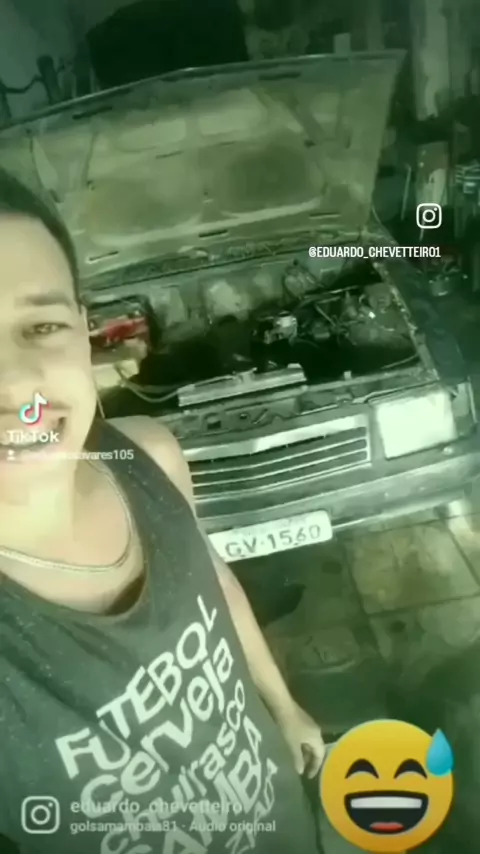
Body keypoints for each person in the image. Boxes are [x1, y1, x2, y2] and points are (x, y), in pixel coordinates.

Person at [0, 167, 324, 853]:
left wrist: (283, 704)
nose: (16, 385)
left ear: (85, 333)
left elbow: (216, 582)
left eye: (42, 325)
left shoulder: (150, 455)